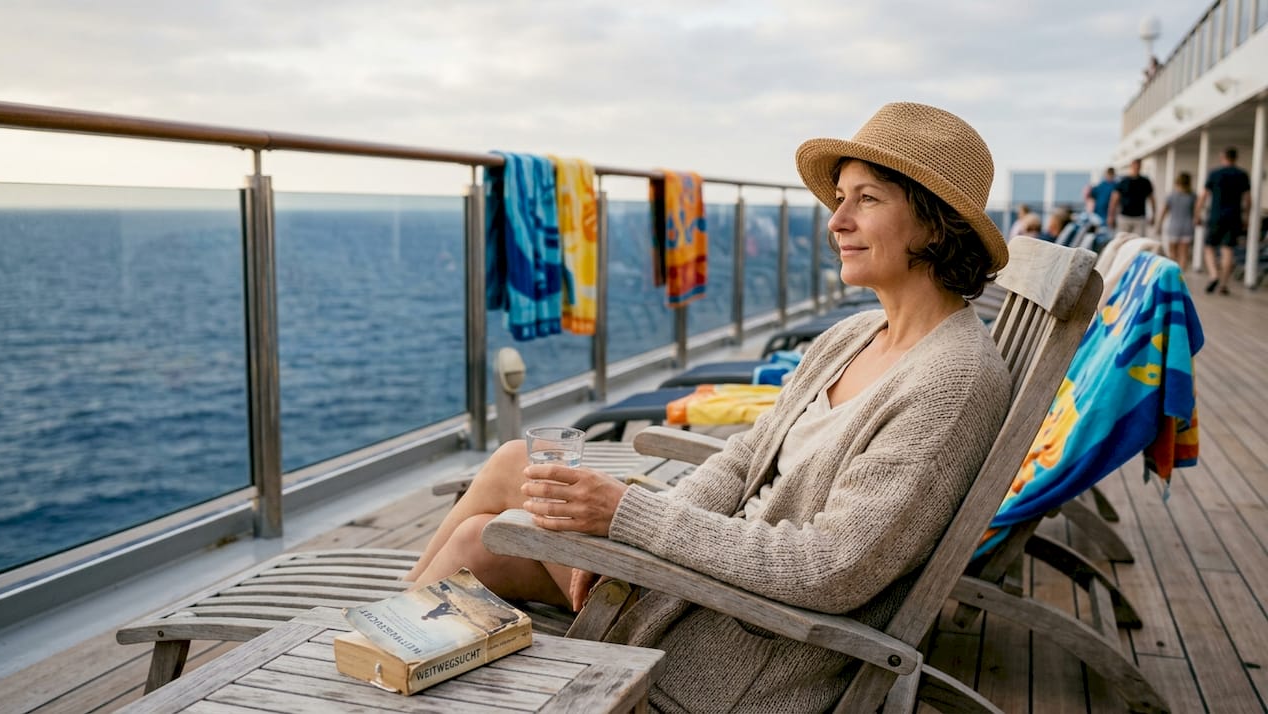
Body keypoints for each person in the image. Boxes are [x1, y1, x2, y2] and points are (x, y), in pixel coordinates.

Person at [403, 102, 1012, 712]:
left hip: (733, 641)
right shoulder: (855, 334)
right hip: (698, 578)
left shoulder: (950, 383)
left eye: (867, 199)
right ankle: (378, 643)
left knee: (481, 542)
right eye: (839, 198)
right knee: (513, 462)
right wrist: (631, 534)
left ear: (936, 225)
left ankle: (372, 661)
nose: (837, 221)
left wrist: (627, 520)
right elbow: (746, 456)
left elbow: (829, 568)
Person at [1196, 147, 1252, 295]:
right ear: (1235, 158)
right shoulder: (1242, 175)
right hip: (1234, 217)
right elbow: (1248, 199)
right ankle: (1223, 284)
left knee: (1209, 247)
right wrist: (1246, 217)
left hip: (1216, 216)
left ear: (1223, 157)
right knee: (1227, 250)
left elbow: (1203, 196)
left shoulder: (1215, 174)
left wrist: (1197, 214)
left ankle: (1214, 275)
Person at [1155, 171, 1196, 273]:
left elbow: (1164, 212)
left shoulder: (1171, 196)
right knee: (1184, 254)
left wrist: (1159, 225)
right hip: (1187, 227)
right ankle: (1181, 275)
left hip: (1174, 227)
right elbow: (1195, 213)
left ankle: (1173, 273)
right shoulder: (1192, 196)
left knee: (1172, 253)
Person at [1109, 159, 1155, 236]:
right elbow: (1114, 200)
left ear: (1140, 167)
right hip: (1124, 217)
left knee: (1138, 241)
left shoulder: (1145, 182)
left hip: (1139, 218)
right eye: (1135, 166)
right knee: (1122, 240)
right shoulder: (1123, 181)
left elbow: (1152, 199)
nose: (1136, 168)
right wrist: (1111, 216)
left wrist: (1153, 215)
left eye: (1138, 166)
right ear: (1131, 166)